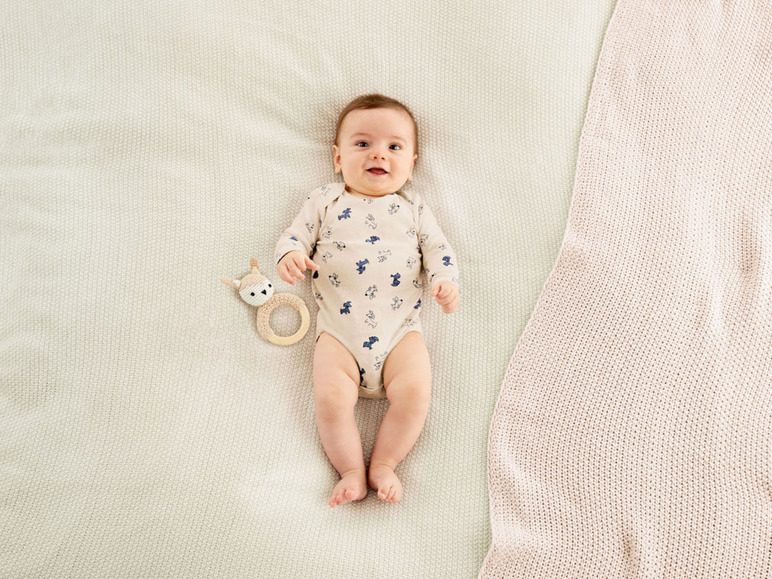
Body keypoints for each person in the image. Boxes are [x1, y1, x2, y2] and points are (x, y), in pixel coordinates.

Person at [273, 94, 460, 507]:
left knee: (415, 393)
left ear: (411, 164)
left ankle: (386, 463)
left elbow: (438, 250)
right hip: (339, 334)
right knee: (330, 400)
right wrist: (289, 255)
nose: (379, 153)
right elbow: (294, 235)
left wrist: (446, 283)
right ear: (338, 158)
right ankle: (351, 470)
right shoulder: (325, 200)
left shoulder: (413, 207)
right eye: (363, 144)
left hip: (400, 333)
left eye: (394, 146)